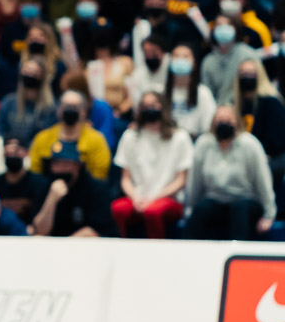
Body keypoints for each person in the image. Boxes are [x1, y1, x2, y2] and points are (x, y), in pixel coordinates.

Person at [184, 105, 276, 240]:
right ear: (213, 123)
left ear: (237, 122)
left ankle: (239, 251)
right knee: (201, 210)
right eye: (220, 120)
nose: (224, 124)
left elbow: (263, 180)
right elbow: (195, 181)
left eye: (228, 120)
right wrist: (189, 209)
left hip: (246, 199)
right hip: (215, 199)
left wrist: (269, 215)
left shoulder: (250, 144)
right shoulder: (204, 144)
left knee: (239, 209)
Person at [112, 92, 193, 238]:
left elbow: (181, 180)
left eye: (154, 104)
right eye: (145, 105)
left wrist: (154, 198)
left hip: (168, 198)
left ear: (163, 107)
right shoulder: (130, 136)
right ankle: (122, 247)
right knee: (118, 208)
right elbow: (125, 178)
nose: (150, 108)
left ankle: (157, 250)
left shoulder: (180, 137)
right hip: (138, 197)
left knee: (152, 211)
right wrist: (135, 197)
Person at [31, 140, 120, 237]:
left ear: (77, 165)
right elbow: (40, 230)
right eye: (56, 163)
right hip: (56, 242)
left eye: (65, 163)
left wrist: (65, 245)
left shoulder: (95, 189)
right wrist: (51, 200)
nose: (60, 168)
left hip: (89, 244)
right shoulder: (46, 186)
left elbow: (94, 231)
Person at [27, 90, 111, 181]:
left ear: (84, 112)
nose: (70, 110)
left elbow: (99, 176)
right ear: (59, 110)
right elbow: (34, 173)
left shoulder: (96, 140)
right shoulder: (42, 138)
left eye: (75, 107)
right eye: (66, 106)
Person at [0, 136, 49, 222]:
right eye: (8, 152)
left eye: (16, 151)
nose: (12, 155)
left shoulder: (40, 184)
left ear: (26, 152)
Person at [166, 43, 216, 138]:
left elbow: (208, 126)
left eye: (185, 56)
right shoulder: (161, 92)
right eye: (176, 56)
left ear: (194, 64)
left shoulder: (203, 92)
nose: (180, 60)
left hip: (195, 139)